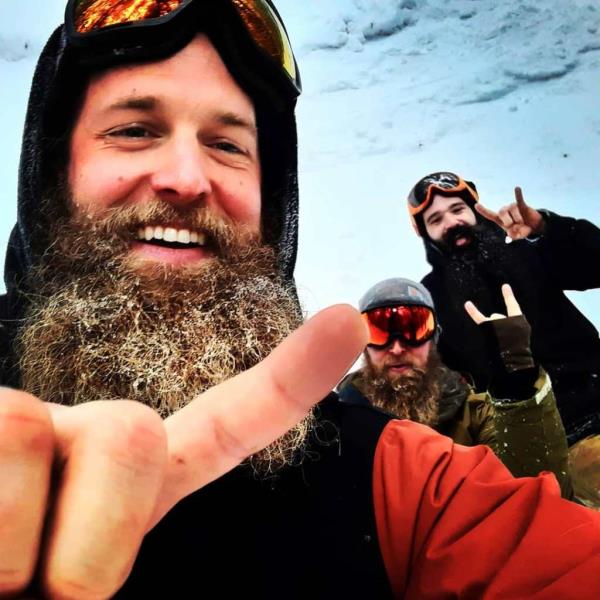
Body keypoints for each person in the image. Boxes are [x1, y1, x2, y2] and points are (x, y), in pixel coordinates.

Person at [0, 2, 598, 598]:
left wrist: (547, 240)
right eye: (134, 130)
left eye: (228, 144)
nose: (186, 176)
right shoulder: (439, 293)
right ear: (50, 175)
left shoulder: (392, 477)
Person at [407, 171, 600, 507]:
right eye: (436, 219)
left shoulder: (525, 248)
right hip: (537, 443)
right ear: (421, 231)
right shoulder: (431, 297)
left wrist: (546, 230)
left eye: (457, 209)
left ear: (475, 208)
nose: (451, 223)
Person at [337, 277, 572, 497]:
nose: (397, 348)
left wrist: (516, 381)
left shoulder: (474, 414)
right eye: (378, 331)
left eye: (415, 328)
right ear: (363, 344)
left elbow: (541, 494)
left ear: (434, 340)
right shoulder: (334, 421)